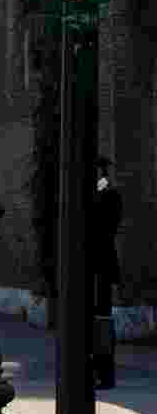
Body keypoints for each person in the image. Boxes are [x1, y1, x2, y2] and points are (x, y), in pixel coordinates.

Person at [93, 157, 122, 389]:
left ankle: (105, 372)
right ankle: (94, 369)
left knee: (102, 319)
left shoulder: (110, 194)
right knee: (91, 320)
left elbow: (109, 227)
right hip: (91, 264)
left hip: (101, 264)